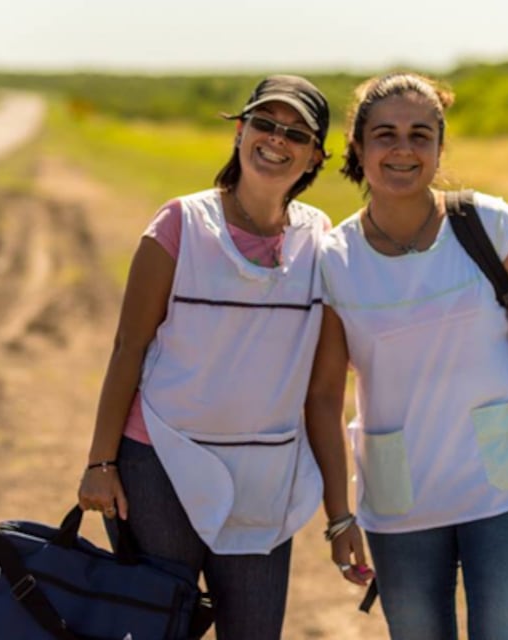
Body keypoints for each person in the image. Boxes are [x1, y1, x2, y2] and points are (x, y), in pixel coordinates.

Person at [77, 75, 372, 639]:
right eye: (264, 124)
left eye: (296, 133)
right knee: (160, 628)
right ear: (240, 132)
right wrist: (100, 462)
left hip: (264, 481)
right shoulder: (179, 225)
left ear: (315, 156)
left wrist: (340, 516)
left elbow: (323, 395)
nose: (276, 140)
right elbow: (128, 349)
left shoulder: (322, 243)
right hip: (160, 467)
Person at [308, 72, 508, 640]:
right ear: (359, 148)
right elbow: (324, 398)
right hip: (398, 504)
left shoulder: (487, 224)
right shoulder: (335, 259)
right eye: (385, 135)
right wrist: (340, 515)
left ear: (439, 146)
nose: (403, 149)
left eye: (420, 135)